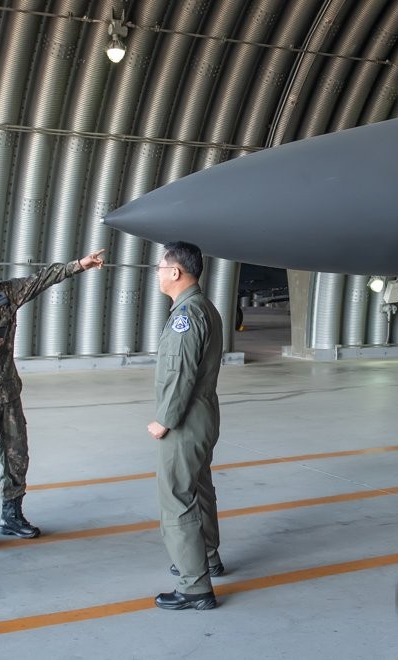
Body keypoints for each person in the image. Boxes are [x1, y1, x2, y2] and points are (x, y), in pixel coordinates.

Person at [0, 241, 104, 551]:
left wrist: (80, 264)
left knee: (17, 456)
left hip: (9, 392)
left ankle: (12, 516)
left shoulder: (5, 293)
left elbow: (41, 279)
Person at [149, 242, 224, 611]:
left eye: (161, 267)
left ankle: (194, 587)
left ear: (176, 272)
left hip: (185, 419)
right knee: (200, 489)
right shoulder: (203, 307)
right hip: (205, 415)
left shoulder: (185, 316)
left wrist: (164, 420)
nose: (158, 273)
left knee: (176, 498)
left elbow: (180, 374)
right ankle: (207, 558)